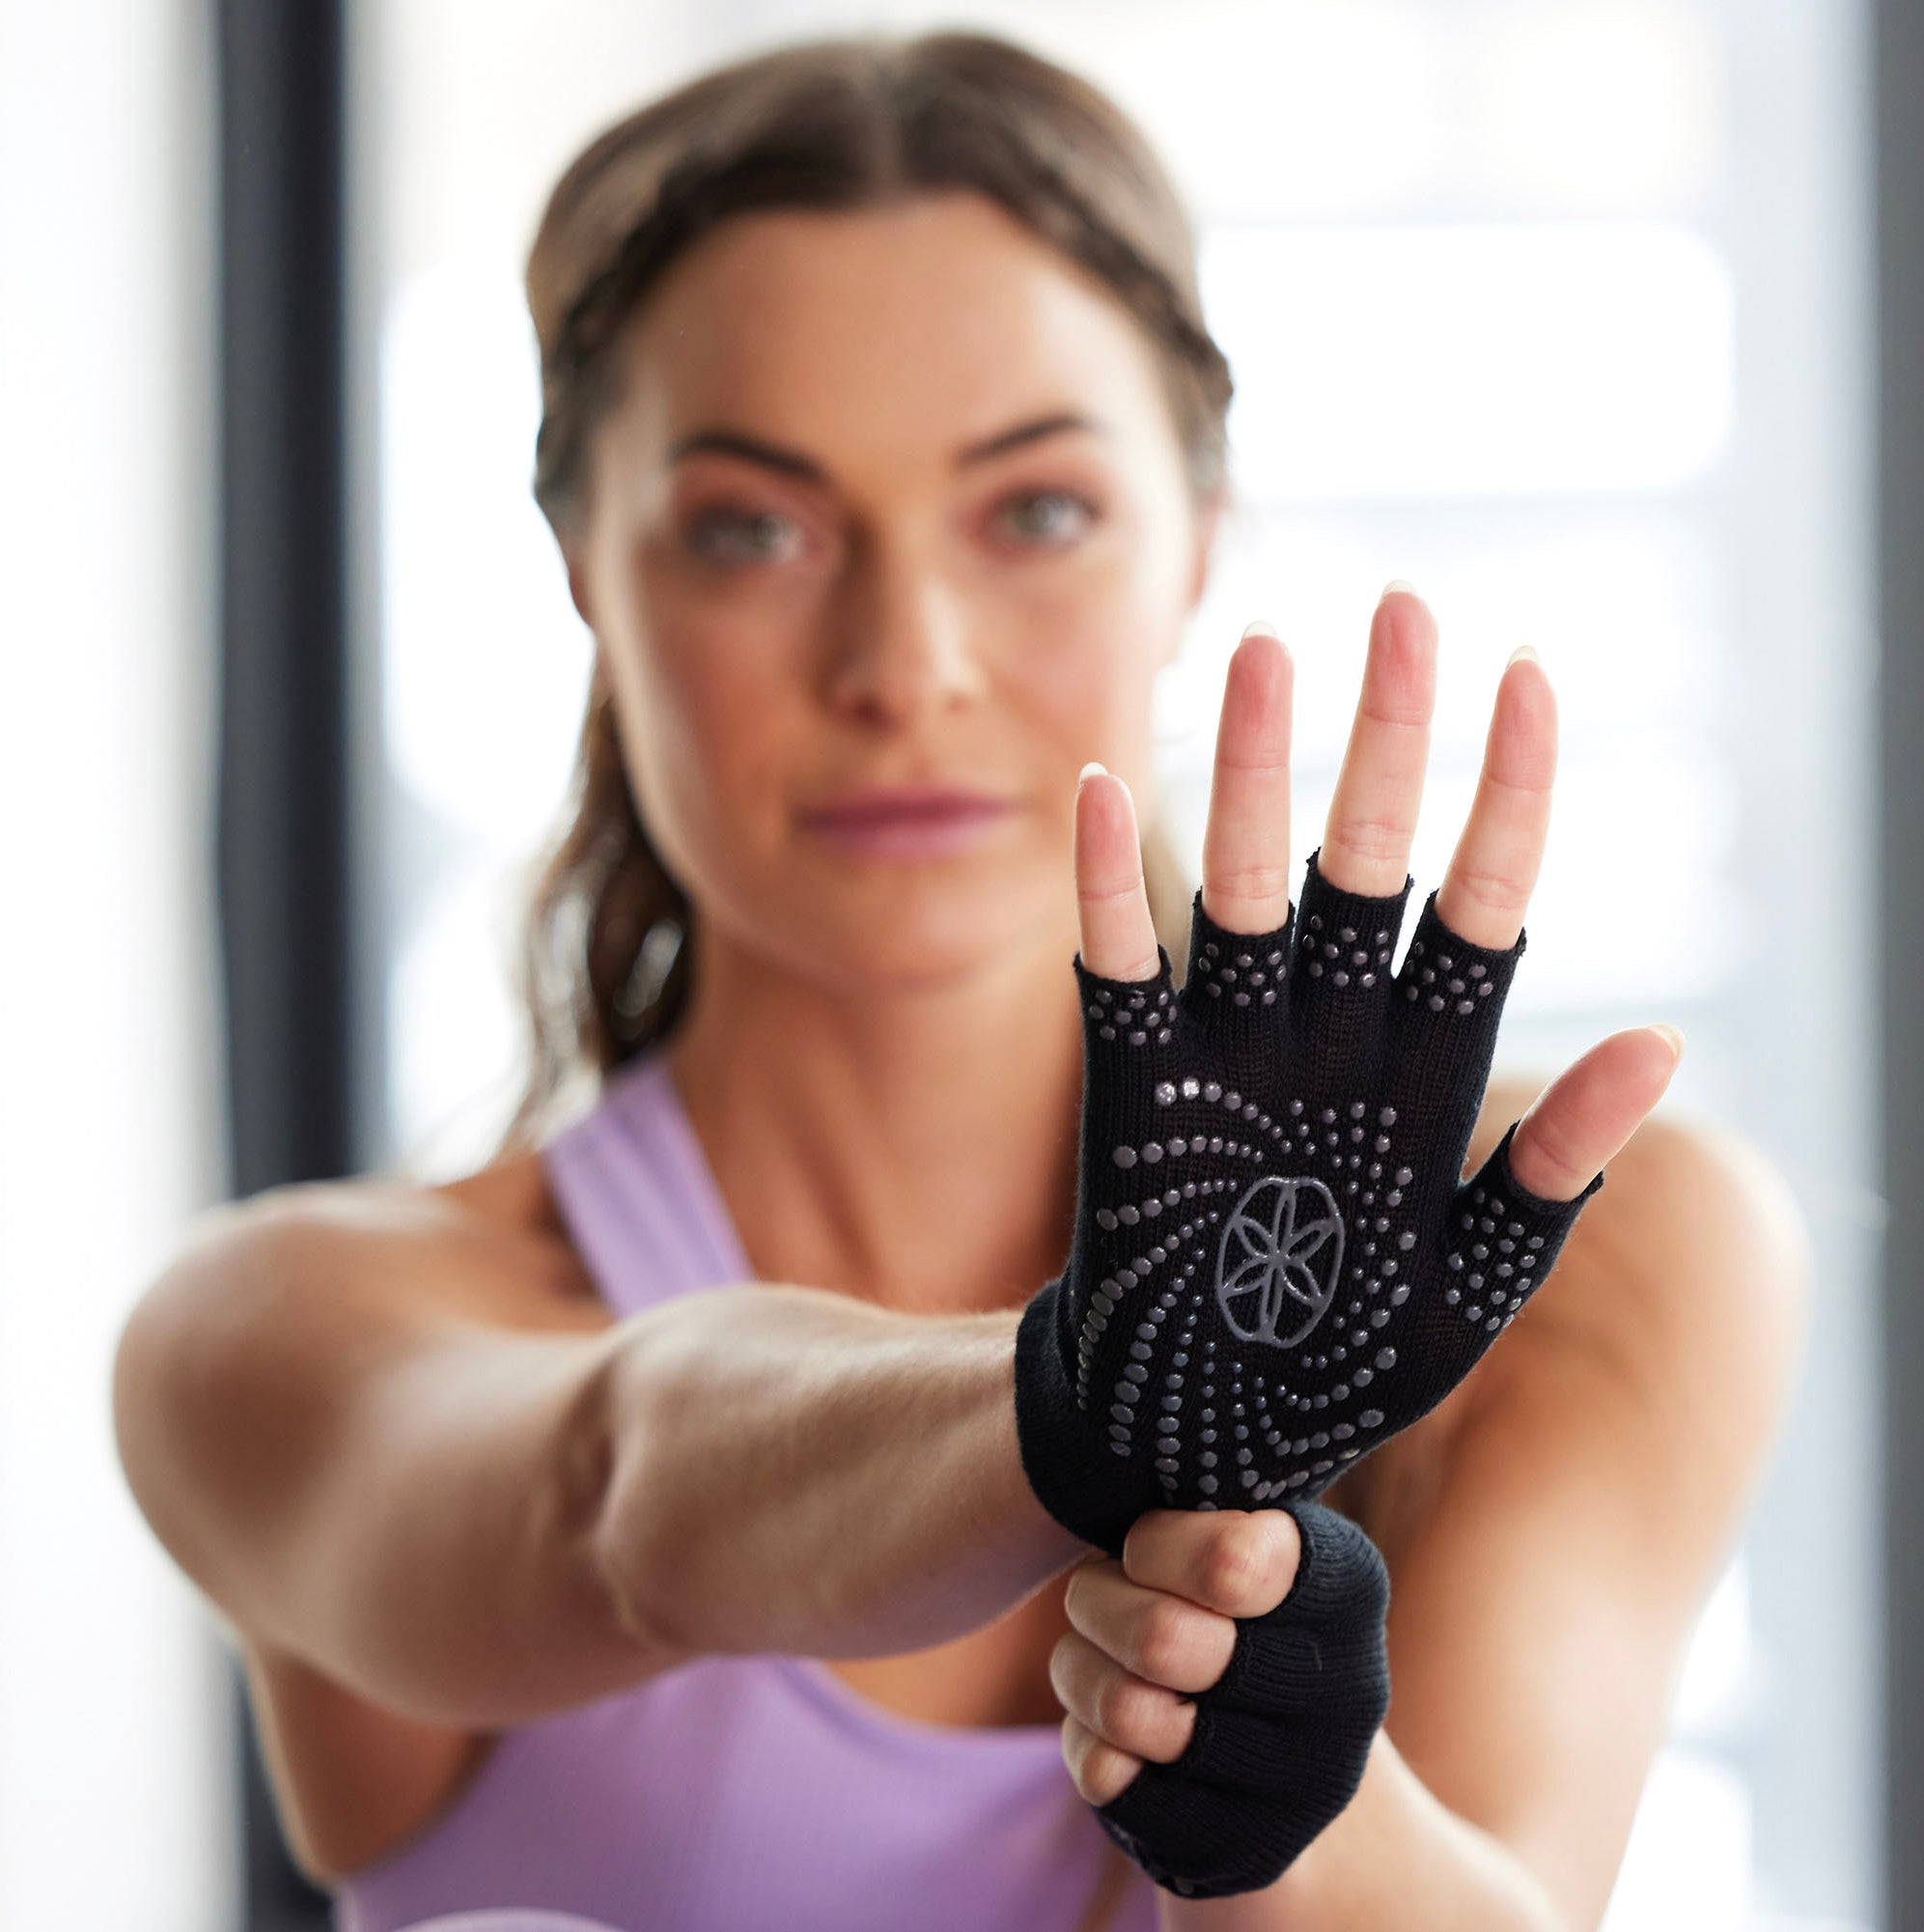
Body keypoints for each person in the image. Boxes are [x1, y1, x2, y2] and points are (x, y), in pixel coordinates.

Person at [111, 28, 1813, 1932]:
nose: (903, 660)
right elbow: (618, 1487)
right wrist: (1070, 1406)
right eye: (753, 527)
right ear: (584, 566)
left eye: (1036, 510)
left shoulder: (1574, 1251)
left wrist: (1274, 1803)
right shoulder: (276, 1340)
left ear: (1197, 542)